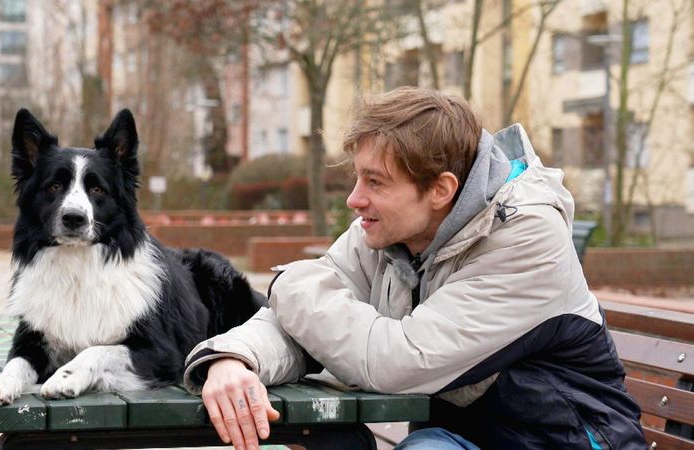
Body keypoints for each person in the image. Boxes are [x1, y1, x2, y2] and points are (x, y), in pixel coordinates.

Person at [183, 87, 645, 450]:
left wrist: (287, 282)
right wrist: (234, 358)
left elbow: (394, 361)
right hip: (462, 438)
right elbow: (312, 318)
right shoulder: (390, 227)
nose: (354, 199)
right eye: (357, 177)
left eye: (375, 182)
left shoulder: (526, 240)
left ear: (441, 190)